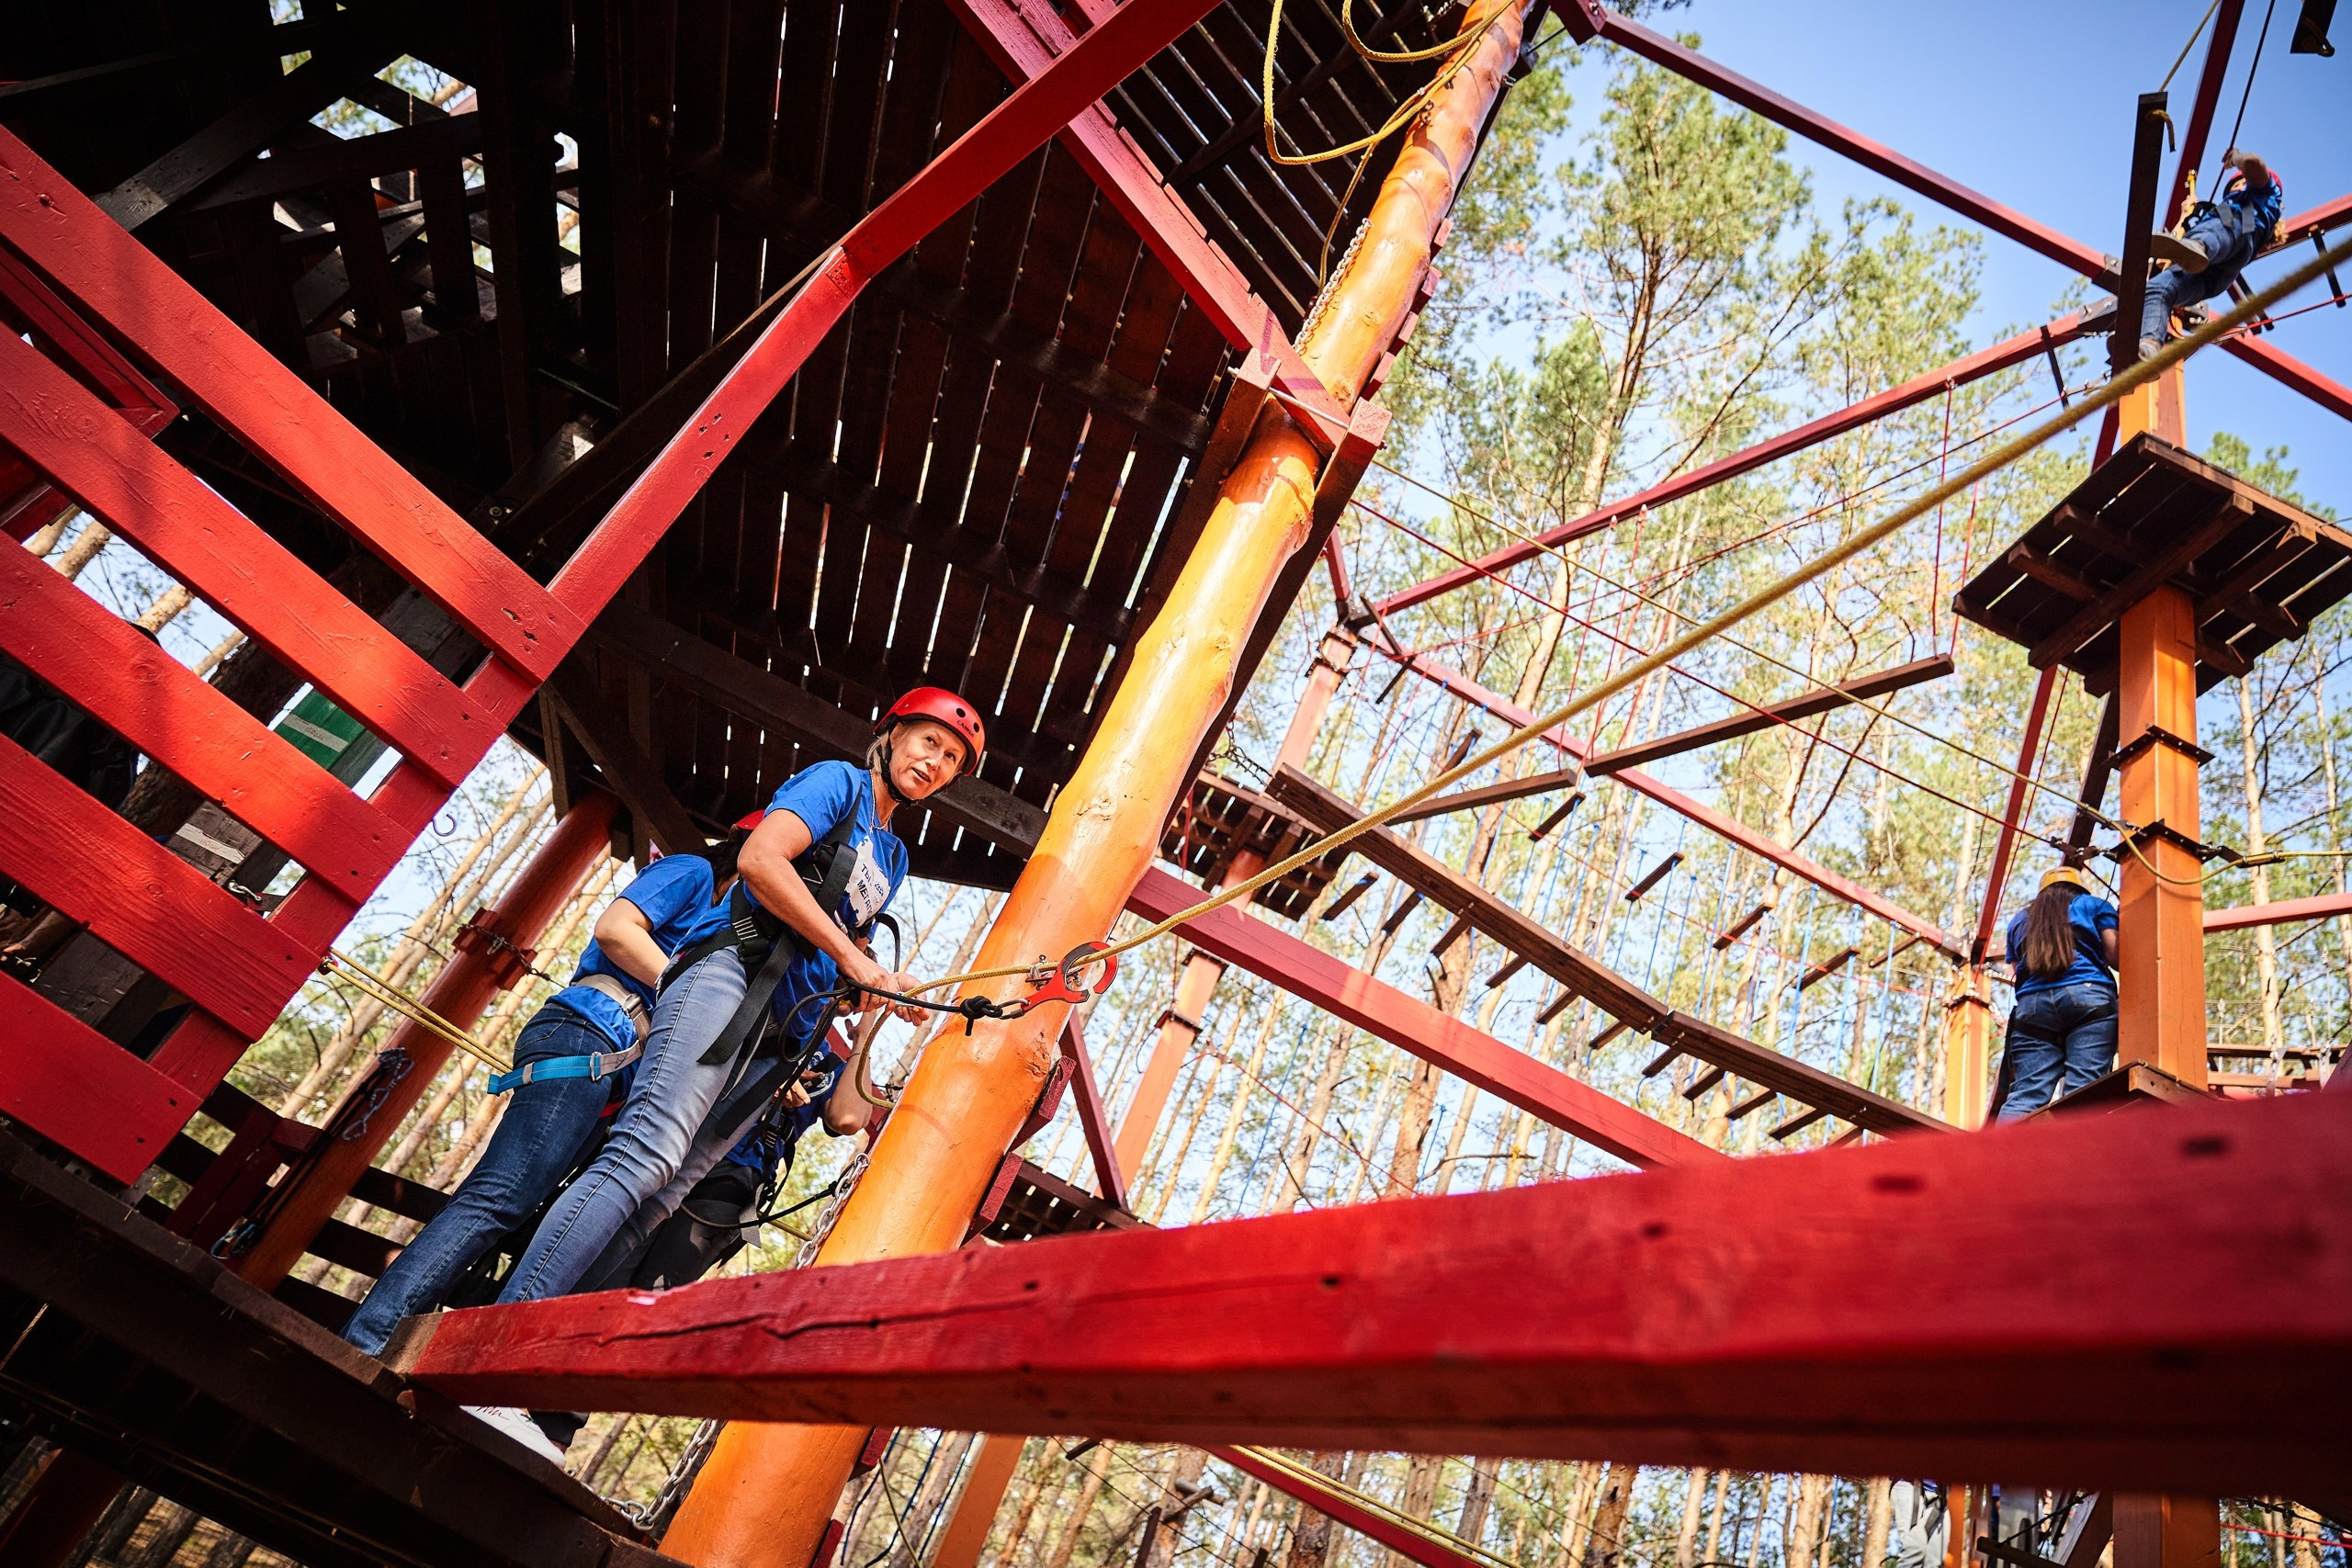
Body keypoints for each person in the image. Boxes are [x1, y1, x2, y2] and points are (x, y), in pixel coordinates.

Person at [484, 686, 981, 1335]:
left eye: (951, 759)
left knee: (664, 1197)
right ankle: (500, 1329)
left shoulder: (893, 856)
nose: (935, 762)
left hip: (781, 1033)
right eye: (928, 741)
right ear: (891, 735)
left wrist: (879, 984)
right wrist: (853, 959)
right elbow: (760, 860)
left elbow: (843, 952)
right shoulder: (839, 784)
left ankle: (541, 1343)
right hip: (731, 974)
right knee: (647, 1154)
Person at [338, 828, 750, 1359]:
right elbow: (616, 930)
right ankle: (369, 1342)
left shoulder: (723, 926)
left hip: (614, 1067)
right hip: (588, 1033)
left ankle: (414, 1350)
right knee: (499, 1198)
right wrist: (690, 998)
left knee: (520, 1213)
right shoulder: (690, 871)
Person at [1996, 864, 2120, 1120]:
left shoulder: (2020, 920)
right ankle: (2075, 1146)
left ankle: (2002, 1147)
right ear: (2079, 888)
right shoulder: (2093, 905)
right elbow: (2115, 956)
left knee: (2025, 1096)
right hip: (2089, 998)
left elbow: (2017, 971)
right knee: (2083, 1094)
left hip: (2033, 1008)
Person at [2142, 148, 2285, 358]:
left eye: (2243, 182)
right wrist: (2186, 216)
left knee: (2227, 220)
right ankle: (2148, 347)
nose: (2238, 186)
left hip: (2235, 239)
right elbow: (2173, 249)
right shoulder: (2222, 212)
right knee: (2157, 289)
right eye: (2235, 184)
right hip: (2212, 274)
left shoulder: (2263, 199)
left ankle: (2198, 247)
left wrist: (2235, 158)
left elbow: (2253, 164)